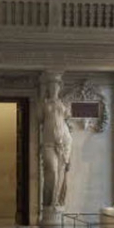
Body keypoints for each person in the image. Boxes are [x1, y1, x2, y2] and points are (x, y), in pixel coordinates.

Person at [41, 74, 72, 210]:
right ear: (48, 88)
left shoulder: (63, 103)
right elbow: (38, 119)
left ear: (59, 89)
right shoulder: (44, 103)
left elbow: (68, 119)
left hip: (63, 142)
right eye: (51, 87)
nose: (54, 89)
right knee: (52, 170)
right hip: (48, 143)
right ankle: (48, 202)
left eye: (56, 87)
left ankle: (56, 202)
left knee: (60, 172)